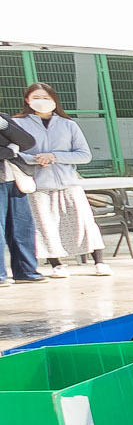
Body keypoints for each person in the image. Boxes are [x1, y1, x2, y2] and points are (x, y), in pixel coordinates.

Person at [13, 86, 108, 276]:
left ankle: (100, 262)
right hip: (38, 185)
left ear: (54, 100)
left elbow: (84, 155)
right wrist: (36, 159)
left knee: (84, 223)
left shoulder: (68, 125)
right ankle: (57, 264)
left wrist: (54, 156)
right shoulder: (18, 124)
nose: (41, 100)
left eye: (45, 97)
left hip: (68, 183)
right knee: (46, 226)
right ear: (27, 100)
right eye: (36, 97)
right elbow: (14, 152)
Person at [1, 120, 46, 283]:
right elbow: (14, 149)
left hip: (15, 180)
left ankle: (26, 271)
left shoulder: (3, 119)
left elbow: (27, 142)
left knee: (22, 227)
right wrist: (10, 151)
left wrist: (4, 126)